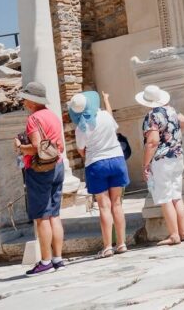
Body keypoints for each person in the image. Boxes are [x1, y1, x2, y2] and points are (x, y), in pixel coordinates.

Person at [68, 91, 129, 258]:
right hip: (117, 159)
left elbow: (82, 151)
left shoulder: (81, 127)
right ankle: (122, 243)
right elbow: (110, 117)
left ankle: (108, 246)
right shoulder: (105, 116)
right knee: (117, 203)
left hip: (96, 164)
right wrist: (107, 99)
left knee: (104, 206)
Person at [15, 82, 66, 275]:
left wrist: (20, 147)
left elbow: (36, 147)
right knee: (55, 214)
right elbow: (58, 144)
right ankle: (58, 258)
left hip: (39, 169)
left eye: (26, 97)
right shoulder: (53, 116)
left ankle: (45, 261)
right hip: (57, 164)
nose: (24, 101)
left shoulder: (33, 119)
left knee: (42, 217)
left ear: (32, 100)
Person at [137, 85, 184, 246]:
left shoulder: (152, 116)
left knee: (165, 197)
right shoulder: (172, 111)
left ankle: (174, 235)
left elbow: (152, 142)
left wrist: (145, 164)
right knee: (176, 196)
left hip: (162, 160)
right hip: (177, 156)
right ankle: (183, 231)